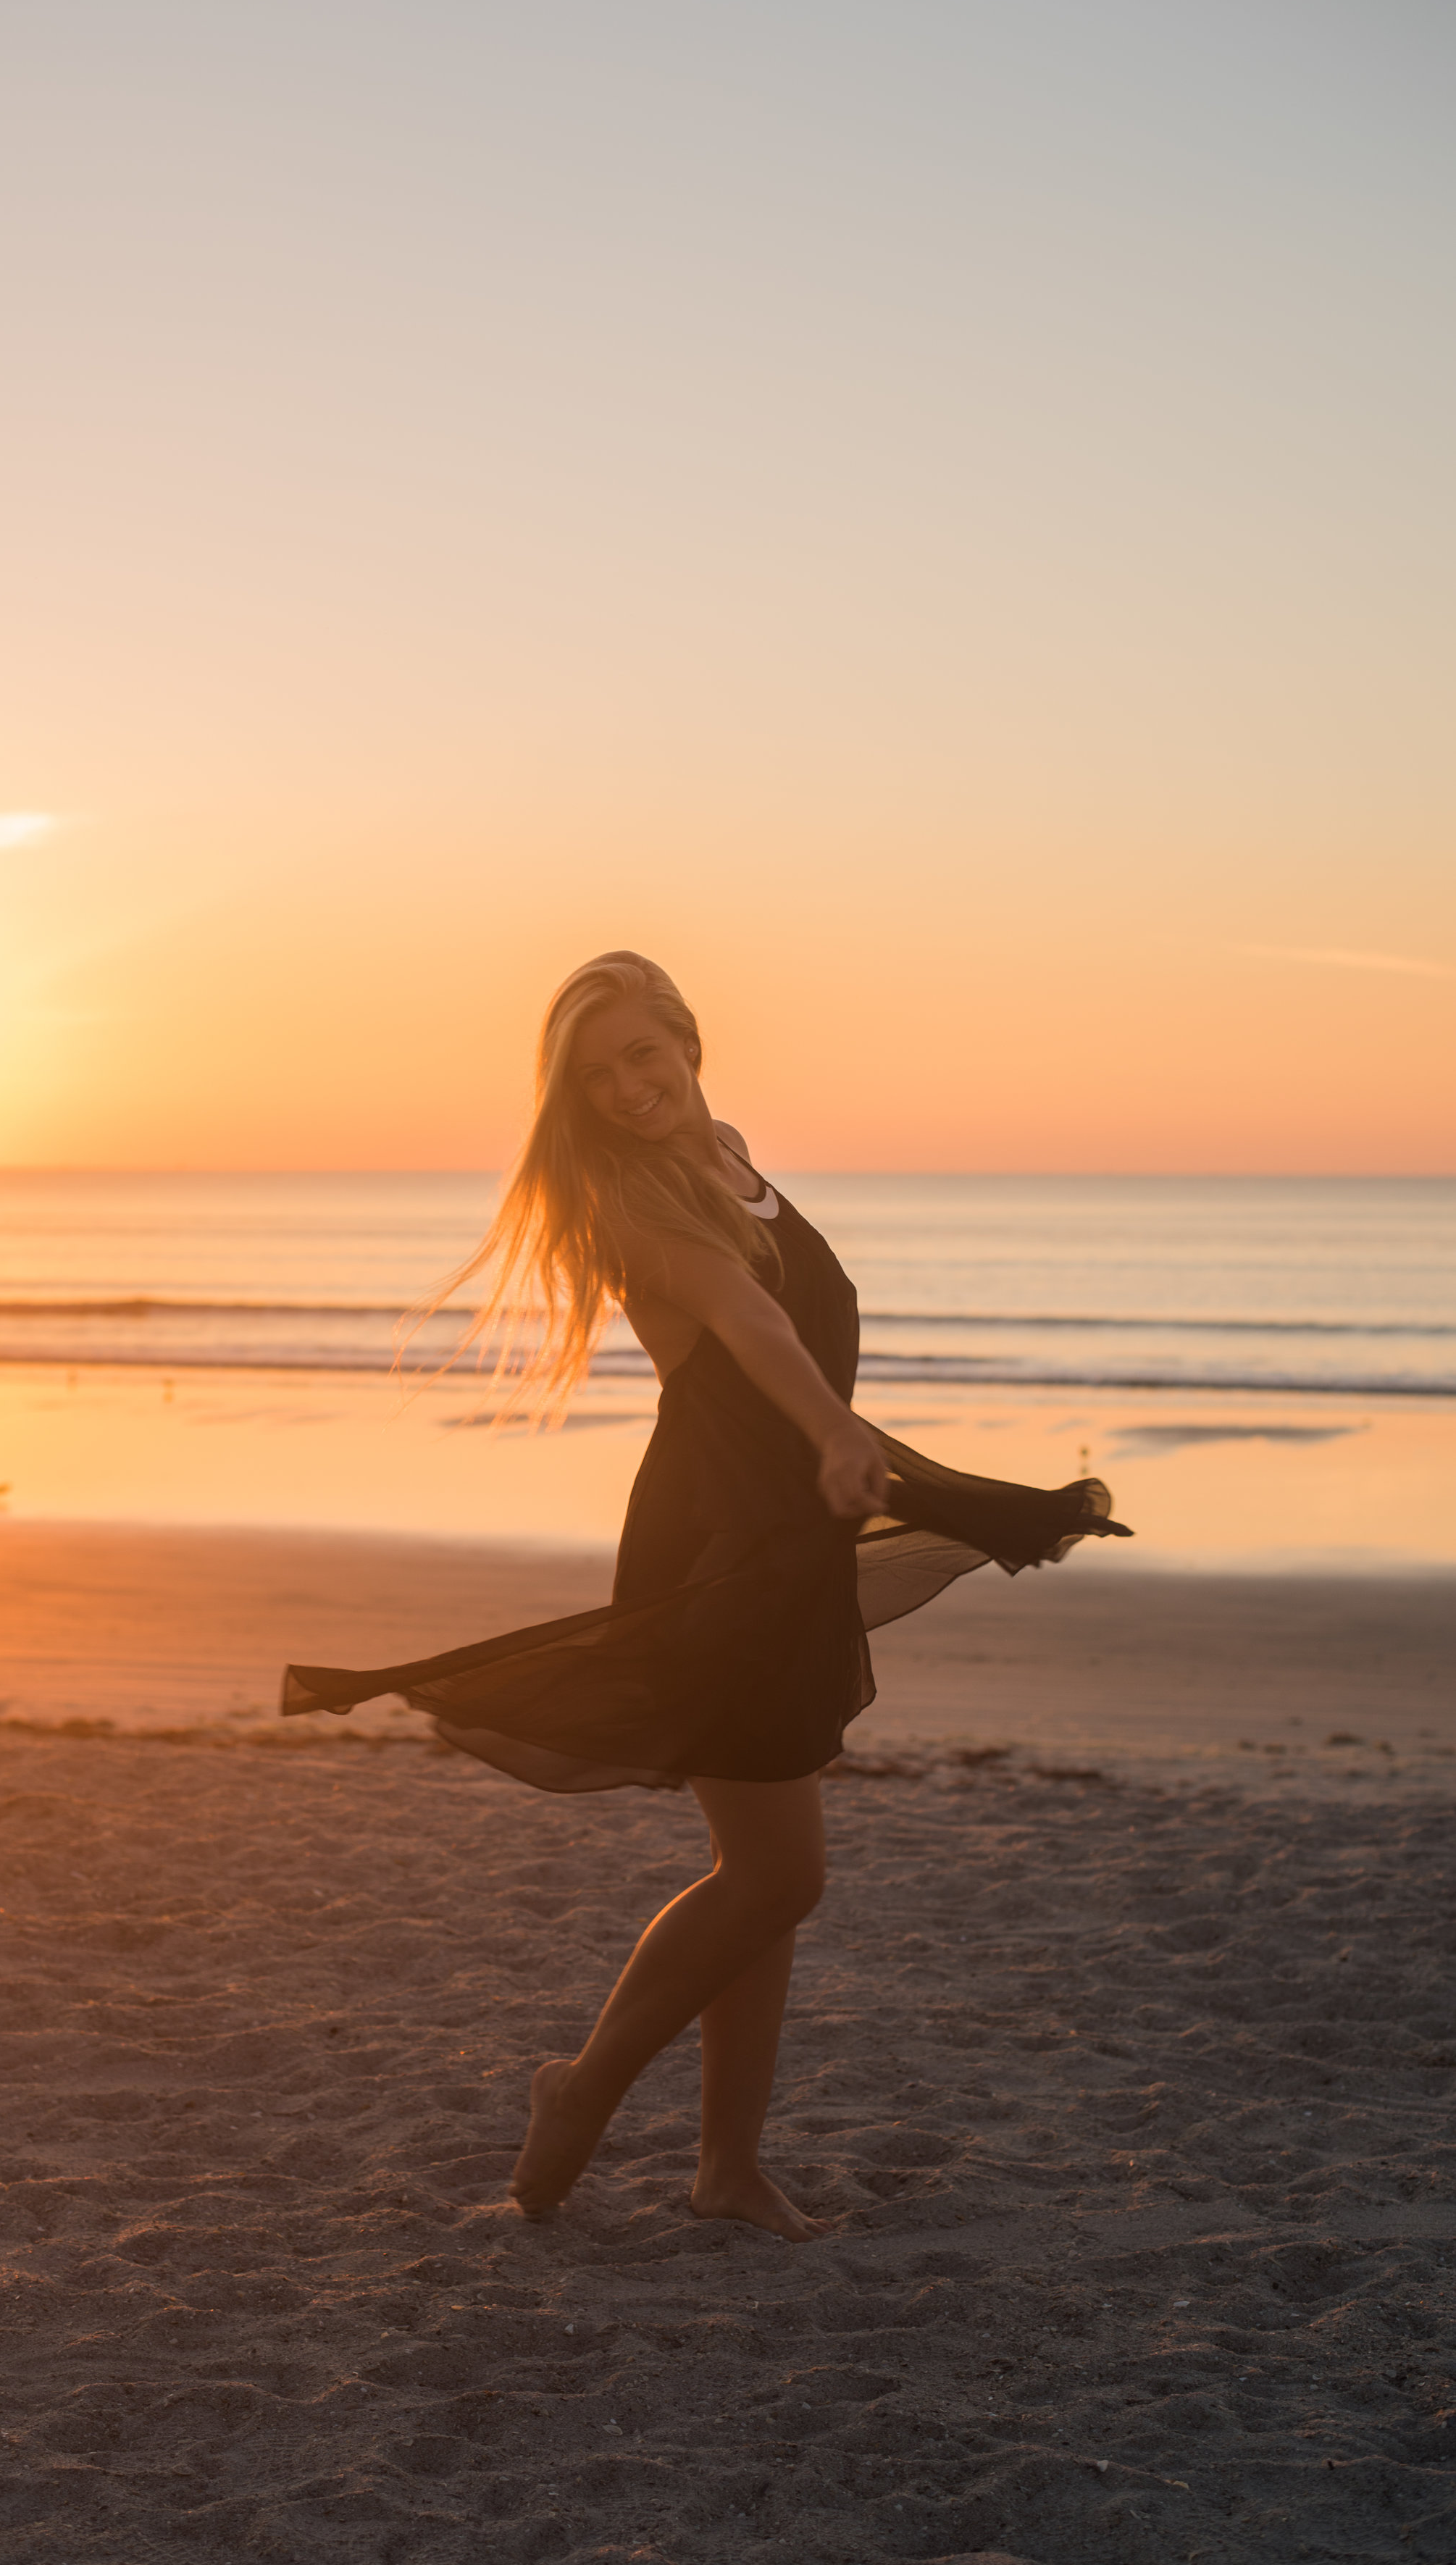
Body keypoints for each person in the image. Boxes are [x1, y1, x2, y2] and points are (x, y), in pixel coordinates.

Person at [284, 953, 1128, 2240]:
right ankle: (584, 2083)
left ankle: (727, 2169)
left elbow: (795, 1333)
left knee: (765, 1873)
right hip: (721, 1545)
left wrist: (916, 1478)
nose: (629, 1087)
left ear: (688, 1038)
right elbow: (750, 1322)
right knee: (779, 1871)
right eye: (597, 1072)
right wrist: (839, 1436)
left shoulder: (731, 1152)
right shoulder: (625, 1202)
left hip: (790, 1530)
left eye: (643, 1053)